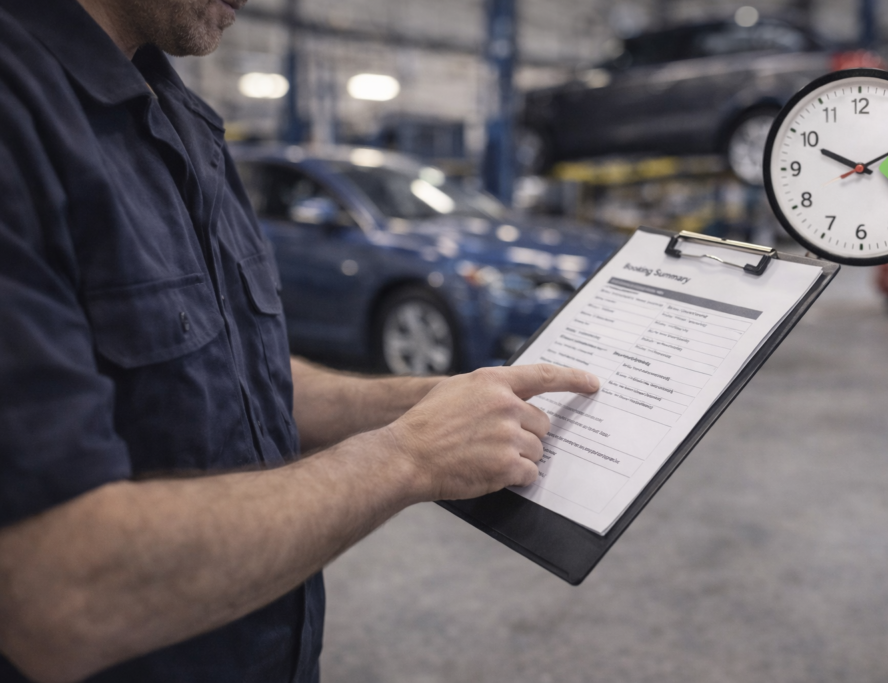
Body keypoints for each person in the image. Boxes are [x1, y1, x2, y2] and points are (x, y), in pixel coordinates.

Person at [0, 0, 600, 681]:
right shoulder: (19, 114)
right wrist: (409, 456)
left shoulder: (178, 118)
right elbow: (58, 590)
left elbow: (229, 368)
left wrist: (424, 400)